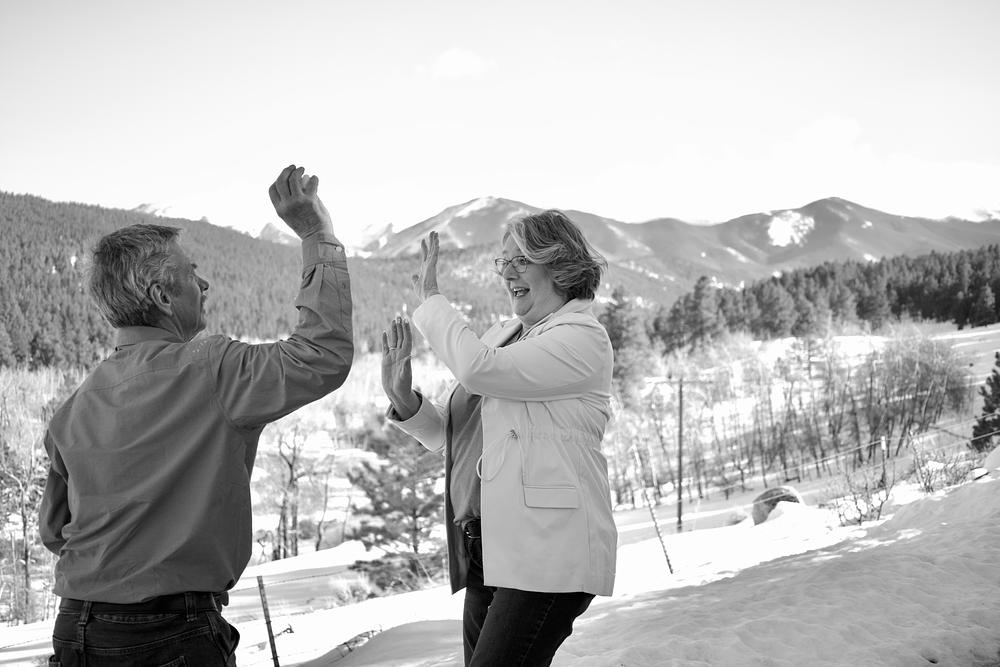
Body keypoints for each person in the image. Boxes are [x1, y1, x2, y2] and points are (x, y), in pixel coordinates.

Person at [39, 164, 353, 666]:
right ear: (162, 297)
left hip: (76, 630)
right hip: (168, 632)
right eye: (191, 273)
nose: (203, 283)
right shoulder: (213, 368)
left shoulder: (75, 405)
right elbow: (322, 356)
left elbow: (56, 533)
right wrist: (317, 234)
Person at [381, 211, 617, 666]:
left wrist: (431, 300)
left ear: (560, 265)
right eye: (503, 261)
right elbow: (456, 435)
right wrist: (404, 400)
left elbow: (477, 369)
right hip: (487, 548)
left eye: (521, 260)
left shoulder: (581, 337)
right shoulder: (504, 335)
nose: (507, 273)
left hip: (547, 550)